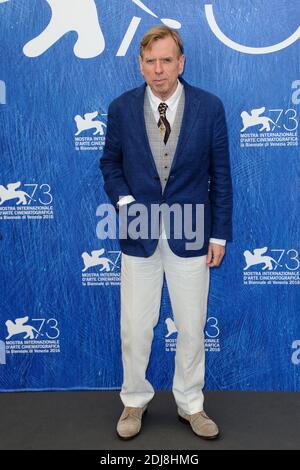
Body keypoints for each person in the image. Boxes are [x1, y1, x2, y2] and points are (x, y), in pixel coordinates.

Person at [100, 25, 232, 441]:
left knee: (192, 326)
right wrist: (124, 202)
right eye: (150, 61)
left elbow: (221, 177)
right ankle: (134, 400)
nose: (158, 70)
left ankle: (191, 404)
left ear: (181, 63)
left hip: (192, 233)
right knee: (136, 326)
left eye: (166, 60)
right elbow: (110, 164)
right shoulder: (121, 108)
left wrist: (220, 235)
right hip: (138, 230)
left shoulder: (209, 108)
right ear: (140, 65)